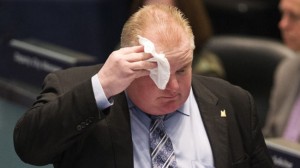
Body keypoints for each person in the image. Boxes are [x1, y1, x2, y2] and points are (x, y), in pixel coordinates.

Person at [14, 4, 273, 168]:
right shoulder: (77, 89)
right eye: (157, 72)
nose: (173, 86)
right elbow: (29, 149)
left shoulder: (233, 101)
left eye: (182, 69)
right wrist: (101, 89)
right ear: (129, 62)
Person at [129, 0, 226, 79]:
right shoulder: (127, 55)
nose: (155, 25)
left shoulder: (207, 70)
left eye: (163, 19)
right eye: (146, 17)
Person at [263, 0, 300, 142]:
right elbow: (270, 139)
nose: (282, 24)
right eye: (283, 13)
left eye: (294, 16)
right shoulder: (287, 70)